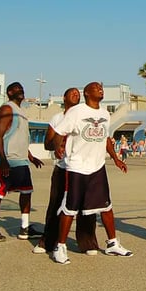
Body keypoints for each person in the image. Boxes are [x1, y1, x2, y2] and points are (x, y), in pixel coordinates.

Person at [51, 82, 132, 264]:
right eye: (96, 87)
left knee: (106, 207)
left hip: (97, 167)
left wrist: (116, 158)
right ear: (87, 93)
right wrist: (58, 147)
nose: (100, 89)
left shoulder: (104, 114)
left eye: (101, 87)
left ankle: (112, 244)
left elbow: (106, 138)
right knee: (70, 209)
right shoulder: (77, 112)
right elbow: (58, 131)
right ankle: (60, 246)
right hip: (77, 167)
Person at [33, 87, 99, 256]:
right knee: (56, 205)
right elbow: (47, 144)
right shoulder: (57, 118)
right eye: (72, 92)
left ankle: (88, 242)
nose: (76, 94)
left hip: (84, 169)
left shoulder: (86, 115)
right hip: (63, 168)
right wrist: (57, 145)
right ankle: (48, 240)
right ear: (64, 97)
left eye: (78, 93)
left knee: (87, 207)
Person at [0, 82, 44, 242]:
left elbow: (21, 139)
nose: (20, 90)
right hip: (4, 161)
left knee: (26, 192)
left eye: (22, 88)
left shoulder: (22, 112)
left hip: (20, 160)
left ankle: (25, 228)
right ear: (9, 92)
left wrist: (31, 157)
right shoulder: (7, 109)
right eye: (16, 88)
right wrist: (3, 160)